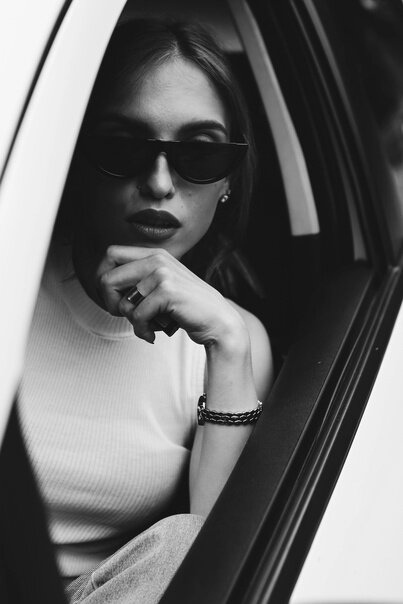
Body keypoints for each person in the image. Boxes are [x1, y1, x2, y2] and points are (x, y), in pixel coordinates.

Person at [18, 17, 273, 603]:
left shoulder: (234, 342)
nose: (159, 183)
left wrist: (229, 342)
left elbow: (219, 569)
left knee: (187, 542)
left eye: (200, 154)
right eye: (123, 147)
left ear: (230, 179)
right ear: (77, 155)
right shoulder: (15, 275)